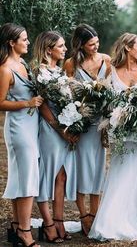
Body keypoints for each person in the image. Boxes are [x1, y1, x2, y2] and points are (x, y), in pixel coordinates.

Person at [88, 32, 137, 241]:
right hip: (119, 130)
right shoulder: (111, 71)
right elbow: (105, 103)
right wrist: (111, 119)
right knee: (119, 171)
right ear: (127, 47)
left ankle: (134, 217)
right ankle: (110, 221)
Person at [64, 24, 111, 235]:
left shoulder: (106, 60)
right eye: (91, 44)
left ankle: (96, 214)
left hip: (100, 124)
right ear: (81, 45)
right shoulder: (71, 64)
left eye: (97, 42)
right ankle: (83, 216)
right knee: (82, 170)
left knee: (98, 169)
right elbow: (68, 97)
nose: (96, 46)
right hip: (82, 125)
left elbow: (111, 89)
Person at [32, 31, 78, 243]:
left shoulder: (59, 72)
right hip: (50, 130)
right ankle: (48, 224)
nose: (65, 49)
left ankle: (59, 221)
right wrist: (60, 129)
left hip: (64, 129)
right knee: (47, 176)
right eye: (61, 46)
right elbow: (43, 108)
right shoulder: (40, 73)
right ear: (49, 49)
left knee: (62, 176)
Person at [0, 23, 43, 247]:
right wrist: (28, 102)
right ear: (11, 42)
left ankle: (17, 227)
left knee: (21, 177)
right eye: (24, 39)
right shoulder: (6, 68)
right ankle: (26, 232)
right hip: (18, 128)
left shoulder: (23, 63)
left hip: (30, 125)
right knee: (27, 178)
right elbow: (0, 102)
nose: (27, 42)